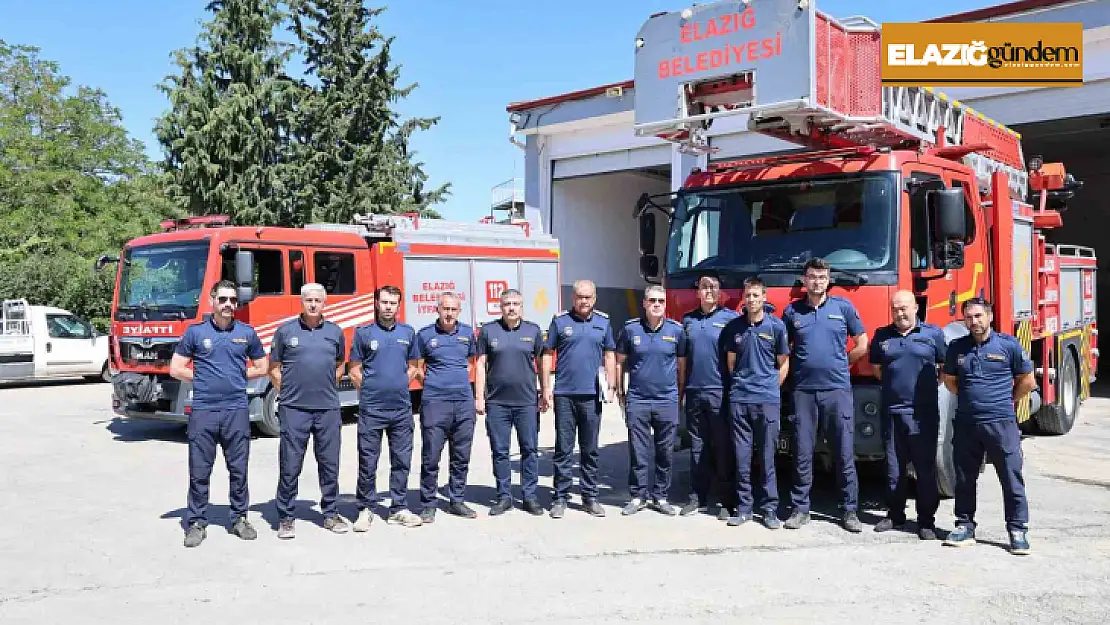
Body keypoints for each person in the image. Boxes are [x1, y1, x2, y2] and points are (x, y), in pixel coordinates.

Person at [169, 280, 268, 548]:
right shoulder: (195, 333)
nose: (228, 304)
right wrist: (201, 379)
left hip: (236, 410)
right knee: (199, 470)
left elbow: (262, 366)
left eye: (232, 300)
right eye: (222, 299)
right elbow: (175, 368)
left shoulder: (246, 333)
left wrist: (236, 376)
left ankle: (239, 518)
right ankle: (197, 522)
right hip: (204, 411)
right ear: (213, 300)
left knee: (239, 469)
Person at [781, 258, 869, 532]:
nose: (817, 281)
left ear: (828, 280)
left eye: (822, 276)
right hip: (803, 392)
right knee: (803, 452)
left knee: (844, 452)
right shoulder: (791, 312)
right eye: (812, 276)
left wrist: (843, 362)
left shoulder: (843, 307)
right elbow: (783, 350)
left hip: (837, 390)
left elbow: (862, 343)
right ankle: (800, 508)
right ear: (804, 281)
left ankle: (849, 511)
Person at [942, 298, 1035, 555]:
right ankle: (964, 525)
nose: (974, 321)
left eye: (979, 316)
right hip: (967, 424)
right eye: (969, 317)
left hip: (1001, 424)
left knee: (1011, 477)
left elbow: (1027, 381)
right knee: (964, 478)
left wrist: (1006, 401)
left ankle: (1017, 530)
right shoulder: (957, 348)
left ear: (989, 317)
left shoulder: (1008, 345)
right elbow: (950, 381)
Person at [269, 283, 348, 538]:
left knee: (329, 464)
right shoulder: (285, 331)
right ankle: (286, 517)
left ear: (325, 303)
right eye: (308, 300)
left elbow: (340, 365)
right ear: (301, 302)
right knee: (290, 464)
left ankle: (330, 513)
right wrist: (288, 392)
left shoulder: (335, 332)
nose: (313, 304)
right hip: (294, 410)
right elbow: (273, 368)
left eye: (318, 300)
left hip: (327, 409)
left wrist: (325, 385)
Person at [868, 291, 946, 540]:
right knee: (893, 467)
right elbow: (878, 369)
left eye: (904, 308)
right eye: (895, 309)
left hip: (922, 415)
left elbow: (943, 370)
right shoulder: (882, 336)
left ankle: (926, 521)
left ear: (916, 308)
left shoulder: (932, 334)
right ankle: (895, 514)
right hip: (892, 412)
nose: (900, 313)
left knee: (924, 468)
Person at [349, 285, 424, 530]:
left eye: (393, 302)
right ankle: (366, 508)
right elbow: (354, 370)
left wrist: (402, 382)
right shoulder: (363, 334)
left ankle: (398, 507)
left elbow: (414, 365)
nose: (388, 306)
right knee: (368, 462)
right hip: (372, 410)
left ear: (398, 305)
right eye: (384, 302)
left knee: (401, 460)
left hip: (401, 409)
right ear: (376, 304)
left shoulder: (408, 333)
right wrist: (369, 390)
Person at [542, 279, 617, 519]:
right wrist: (545, 387)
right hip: (565, 394)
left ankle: (589, 497)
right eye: (579, 297)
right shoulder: (560, 321)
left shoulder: (604, 322)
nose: (583, 301)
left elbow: (610, 354)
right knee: (563, 449)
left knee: (590, 449)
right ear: (572, 298)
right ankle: (560, 498)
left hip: (592, 395)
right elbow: (546, 355)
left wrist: (612, 385)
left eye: (588, 297)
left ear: (594, 298)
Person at [723, 277, 790, 529]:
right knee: (741, 457)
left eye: (755, 295)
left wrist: (772, 387)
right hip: (740, 399)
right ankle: (744, 508)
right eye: (748, 295)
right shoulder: (734, 328)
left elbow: (783, 363)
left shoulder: (776, 327)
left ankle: (770, 509)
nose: (751, 300)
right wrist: (742, 385)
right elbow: (731, 364)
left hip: (767, 401)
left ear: (764, 297)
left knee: (767, 457)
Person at [616, 285, 686, 516]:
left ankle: (660, 496)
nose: (657, 304)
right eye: (653, 300)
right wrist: (620, 391)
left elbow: (681, 367)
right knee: (639, 451)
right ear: (644, 303)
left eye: (661, 301)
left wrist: (679, 394)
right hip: (638, 400)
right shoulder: (630, 330)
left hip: (667, 399)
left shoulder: (676, 331)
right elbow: (620, 362)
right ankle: (638, 496)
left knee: (665, 452)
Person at [475, 288, 546, 516]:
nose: (512, 308)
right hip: (497, 403)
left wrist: (545, 391)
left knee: (529, 450)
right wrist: (479, 397)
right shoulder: (488, 331)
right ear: (500, 307)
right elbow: (480, 365)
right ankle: (504, 496)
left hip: (526, 402)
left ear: (522, 306)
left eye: (516, 303)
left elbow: (542, 360)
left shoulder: (533, 331)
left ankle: (530, 496)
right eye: (507, 304)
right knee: (500, 451)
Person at [679, 274, 740, 519]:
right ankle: (697, 497)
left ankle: (726, 501)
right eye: (704, 287)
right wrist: (681, 390)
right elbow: (682, 360)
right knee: (697, 447)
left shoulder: (730, 319)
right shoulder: (688, 320)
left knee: (724, 447)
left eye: (713, 287)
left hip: (719, 392)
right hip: (694, 392)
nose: (709, 292)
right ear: (698, 292)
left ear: (720, 292)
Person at [415, 291, 479, 523]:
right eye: (445, 308)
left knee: (461, 455)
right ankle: (428, 503)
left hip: (463, 402)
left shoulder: (467, 334)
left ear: (459, 311)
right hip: (435, 403)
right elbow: (418, 367)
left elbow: (472, 364)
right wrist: (433, 384)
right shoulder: (424, 335)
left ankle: (457, 500)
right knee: (431, 456)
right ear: (438, 309)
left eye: (453, 309)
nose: (449, 313)